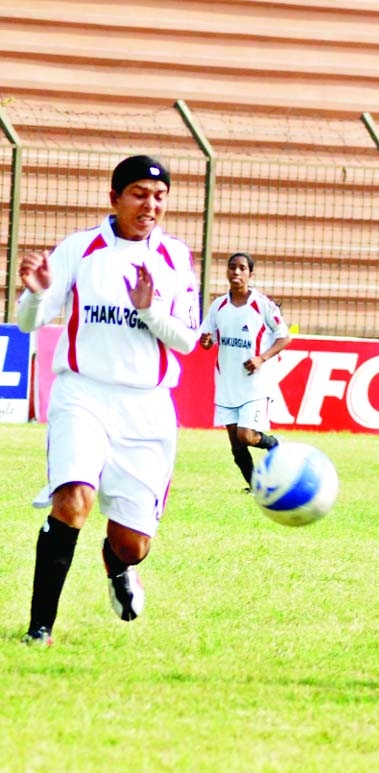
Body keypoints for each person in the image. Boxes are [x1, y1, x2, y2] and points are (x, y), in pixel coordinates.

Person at [16, 155, 200, 645]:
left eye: (159, 197)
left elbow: (186, 339)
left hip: (147, 407)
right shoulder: (81, 248)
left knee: (132, 542)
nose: (151, 205)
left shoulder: (175, 258)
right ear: (114, 198)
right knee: (72, 501)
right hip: (84, 394)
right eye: (139, 194)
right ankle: (40, 629)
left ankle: (119, 568)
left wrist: (150, 311)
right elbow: (30, 321)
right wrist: (34, 295)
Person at [198, 251, 291, 489]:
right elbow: (208, 339)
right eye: (232, 267)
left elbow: (284, 338)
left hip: (255, 384)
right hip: (227, 385)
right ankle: (256, 488)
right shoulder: (218, 305)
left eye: (241, 268)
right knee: (236, 445)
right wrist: (206, 342)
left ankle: (273, 444)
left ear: (250, 274)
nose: (236, 272)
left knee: (246, 435)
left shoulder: (262, 305)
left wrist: (261, 358)